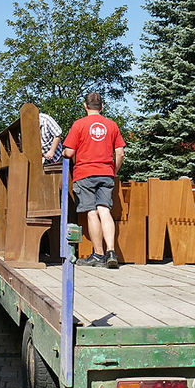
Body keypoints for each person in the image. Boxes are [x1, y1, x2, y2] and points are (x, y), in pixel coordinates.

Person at [61, 92, 126, 269]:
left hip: (85, 173)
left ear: (85, 105)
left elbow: (69, 152)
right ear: (102, 106)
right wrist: (113, 170)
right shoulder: (111, 125)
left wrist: (64, 153)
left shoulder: (79, 125)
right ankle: (111, 252)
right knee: (104, 210)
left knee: (91, 212)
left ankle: (98, 254)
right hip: (106, 173)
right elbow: (120, 152)